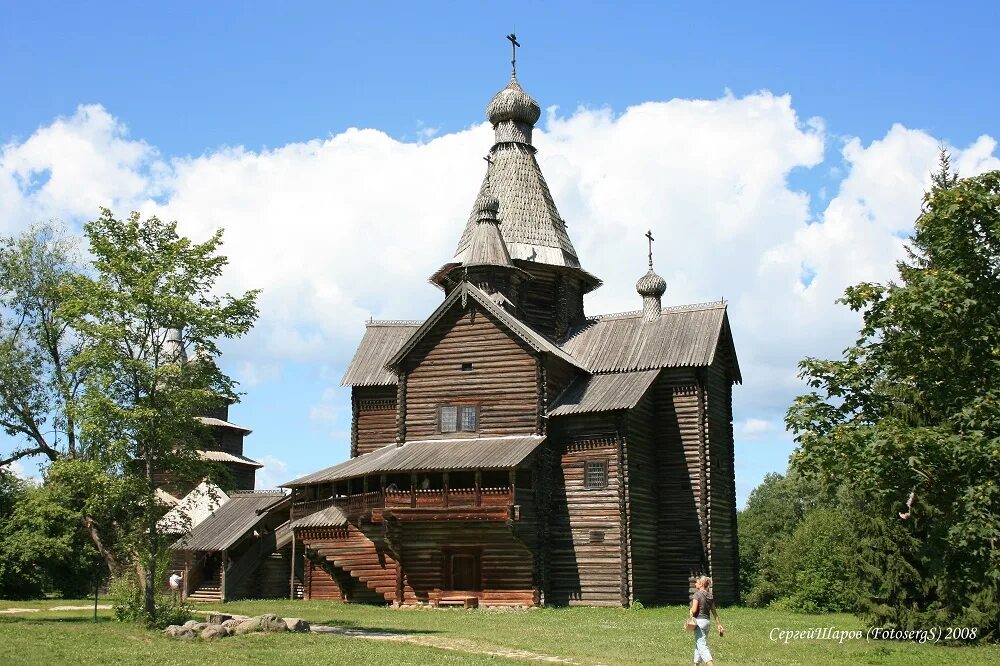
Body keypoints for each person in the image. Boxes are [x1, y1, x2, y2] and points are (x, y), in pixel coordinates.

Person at [689, 575, 724, 665]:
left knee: (702, 645)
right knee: (699, 644)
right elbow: (714, 612)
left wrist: (690, 611)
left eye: (696, 582)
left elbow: (694, 610)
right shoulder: (710, 595)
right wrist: (719, 624)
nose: (695, 584)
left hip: (699, 622)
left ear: (700, 584)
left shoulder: (697, 594)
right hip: (707, 622)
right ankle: (696, 664)